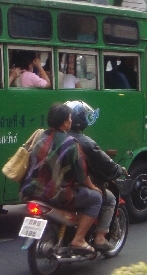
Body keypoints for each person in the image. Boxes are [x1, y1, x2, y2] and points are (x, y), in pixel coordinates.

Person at [21, 103, 102, 252]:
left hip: (30, 190)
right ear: (65, 123)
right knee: (96, 198)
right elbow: (81, 175)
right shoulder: (71, 143)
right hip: (55, 194)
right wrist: (92, 187)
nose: (71, 122)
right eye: (70, 119)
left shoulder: (39, 137)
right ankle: (78, 239)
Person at [65, 101, 126, 251]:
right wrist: (119, 170)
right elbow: (97, 166)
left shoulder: (53, 137)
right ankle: (97, 238)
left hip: (51, 186)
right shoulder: (83, 142)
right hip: (70, 189)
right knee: (107, 198)